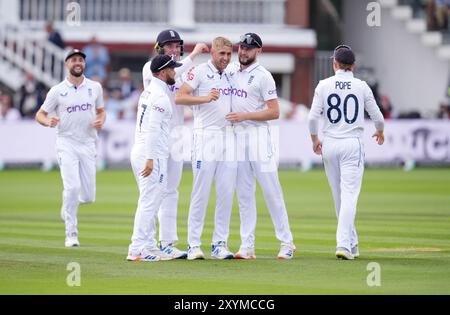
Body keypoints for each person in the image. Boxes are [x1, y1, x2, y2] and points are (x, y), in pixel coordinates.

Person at [307, 45, 385, 260]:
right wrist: (379, 131)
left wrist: (314, 139)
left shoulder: (324, 85)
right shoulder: (361, 86)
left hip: (330, 143)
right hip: (352, 143)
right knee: (349, 196)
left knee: (339, 197)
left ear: (335, 64)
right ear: (353, 66)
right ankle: (343, 244)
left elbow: (312, 118)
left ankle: (352, 243)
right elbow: (377, 116)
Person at [225, 33, 295, 260]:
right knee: (244, 193)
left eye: (248, 48)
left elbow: (274, 112)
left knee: (271, 190)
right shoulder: (231, 70)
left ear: (258, 51)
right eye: (241, 48)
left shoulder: (264, 76)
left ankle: (287, 243)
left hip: (258, 137)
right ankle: (247, 246)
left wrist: (245, 115)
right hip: (237, 138)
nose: (243, 52)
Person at [141, 29, 209, 259]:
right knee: (153, 192)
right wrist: (195, 55)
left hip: (178, 134)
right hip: (158, 137)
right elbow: (177, 77)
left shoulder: (181, 69)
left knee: (171, 191)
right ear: (159, 48)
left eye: (176, 45)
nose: (173, 49)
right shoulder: (151, 68)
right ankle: (145, 244)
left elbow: (188, 84)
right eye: (168, 46)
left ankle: (167, 243)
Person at [35, 49, 106, 247]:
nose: (78, 63)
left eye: (81, 60)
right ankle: (71, 234)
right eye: (74, 60)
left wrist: (101, 120)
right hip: (66, 142)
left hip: (88, 143)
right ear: (67, 64)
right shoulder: (57, 90)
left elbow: (101, 111)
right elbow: (39, 114)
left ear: (84, 64)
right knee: (72, 187)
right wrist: (48, 121)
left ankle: (68, 203)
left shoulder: (95, 87)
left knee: (89, 196)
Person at [175, 37, 236, 260]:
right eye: (222, 54)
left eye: (229, 55)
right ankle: (193, 244)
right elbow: (180, 97)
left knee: (226, 192)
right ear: (213, 53)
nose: (226, 59)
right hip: (205, 136)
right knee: (201, 192)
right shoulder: (199, 71)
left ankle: (219, 244)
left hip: (228, 137)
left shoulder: (231, 73)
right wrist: (204, 98)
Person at [126, 54, 183, 262]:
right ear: (162, 72)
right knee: (150, 202)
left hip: (141, 150)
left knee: (148, 200)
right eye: (172, 69)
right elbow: (152, 129)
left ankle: (148, 246)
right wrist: (151, 158)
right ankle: (136, 248)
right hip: (151, 153)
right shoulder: (159, 97)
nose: (175, 72)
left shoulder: (148, 92)